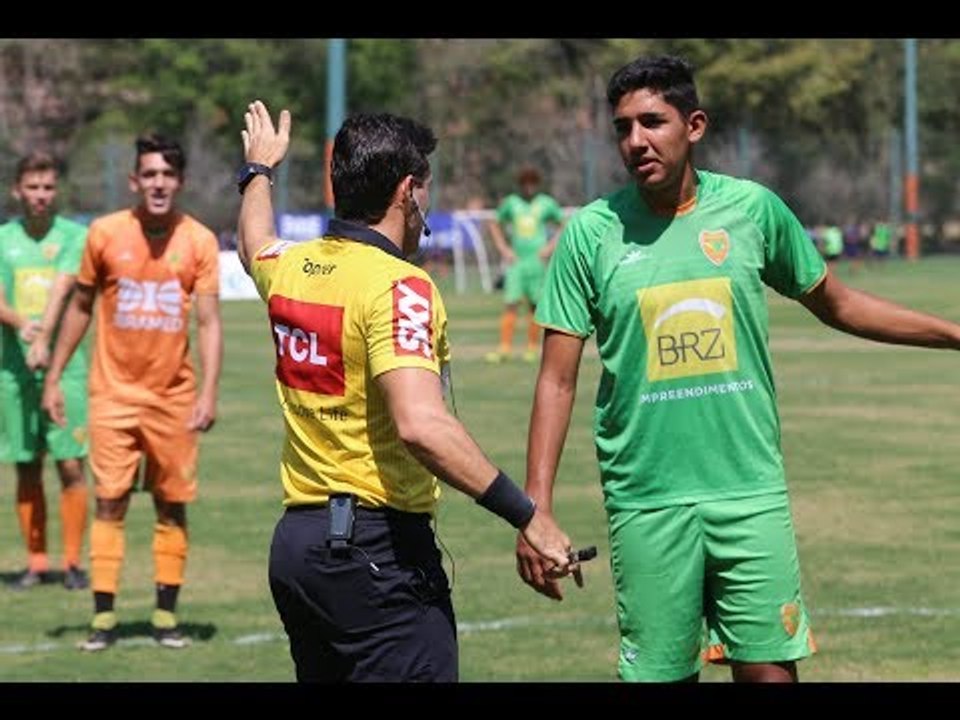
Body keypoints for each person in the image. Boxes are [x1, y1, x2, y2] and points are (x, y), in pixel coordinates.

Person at [514, 54, 960, 683]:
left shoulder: (752, 211)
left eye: (653, 122)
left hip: (750, 493)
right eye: (622, 128)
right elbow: (556, 380)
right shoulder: (592, 234)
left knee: (770, 676)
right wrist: (537, 511)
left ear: (693, 126)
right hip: (647, 501)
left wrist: (954, 335)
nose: (636, 140)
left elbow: (839, 303)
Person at [236, 100, 578, 682]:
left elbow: (252, 243)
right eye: (427, 189)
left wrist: (259, 171)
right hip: (375, 553)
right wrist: (528, 515)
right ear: (407, 192)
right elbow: (421, 425)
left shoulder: (292, 266)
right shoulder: (400, 286)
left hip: (298, 550)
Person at [42, 133, 222, 652]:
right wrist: (54, 375)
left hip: (174, 399)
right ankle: (104, 618)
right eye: (150, 174)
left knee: (171, 506)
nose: (158, 183)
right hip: (113, 395)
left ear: (180, 182)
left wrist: (207, 393)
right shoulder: (104, 233)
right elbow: (79, 307)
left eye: (167, 175)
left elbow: (209, 323)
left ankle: (166, 617)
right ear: (134, 180)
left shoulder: (200, 241)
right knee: (111, 502)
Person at [0, 151, 89, 591]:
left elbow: (62, 291)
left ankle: (73, 562)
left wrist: (42, 338)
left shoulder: (75, 236)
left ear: (57, 191)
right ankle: (36, 562)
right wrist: (23, 327)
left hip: (66, 368)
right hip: (13, 373)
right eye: (32, 187)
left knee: (71, 464)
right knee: (26, 466)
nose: (40, 196)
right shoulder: (3, 240)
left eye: (48, 187)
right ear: (17, 190)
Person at [485, 166, 566, 363]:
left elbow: (563, 224)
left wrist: (549, 248)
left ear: (537, 183)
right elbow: (494, 223)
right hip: (517, 262)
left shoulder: (546, 203)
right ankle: (504, 349)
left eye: (532, 182)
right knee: (511, 303)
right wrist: (504, 249)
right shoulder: (512, 203)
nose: (529, 187)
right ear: (520, 184)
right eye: (525, 182)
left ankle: (531, 348)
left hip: (536, 262)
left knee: (535, 306)